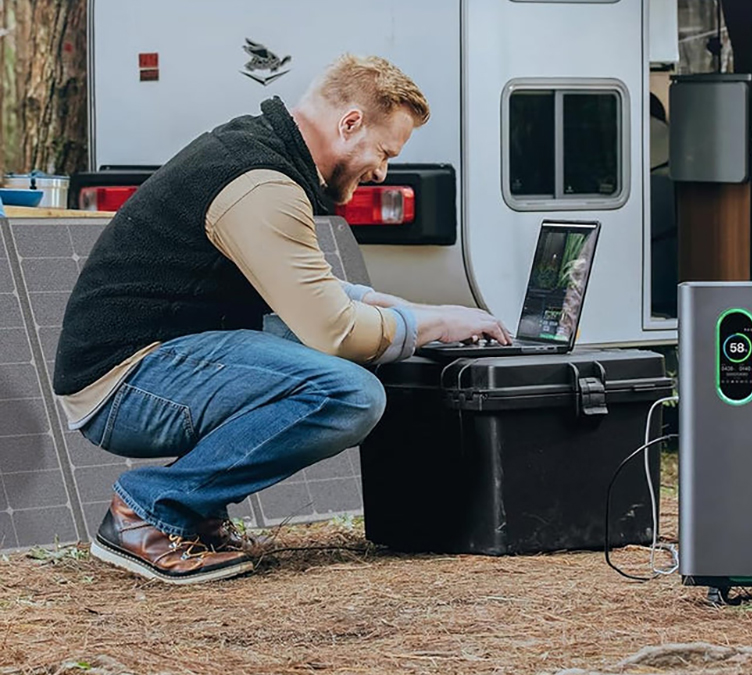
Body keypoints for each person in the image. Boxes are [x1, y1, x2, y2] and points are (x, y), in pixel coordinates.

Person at [51, 54, 510, 585]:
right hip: (125, 384)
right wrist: (430, 328)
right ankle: (151, 509)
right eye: (384, 152)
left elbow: (308, 291)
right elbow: (335, 329)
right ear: (350, 123)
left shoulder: (260, 153)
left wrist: (435, 314)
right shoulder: (261, 184)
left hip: (156, 360)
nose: (382, 172)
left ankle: (195, 515)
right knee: (349, 393)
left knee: (324, 345)